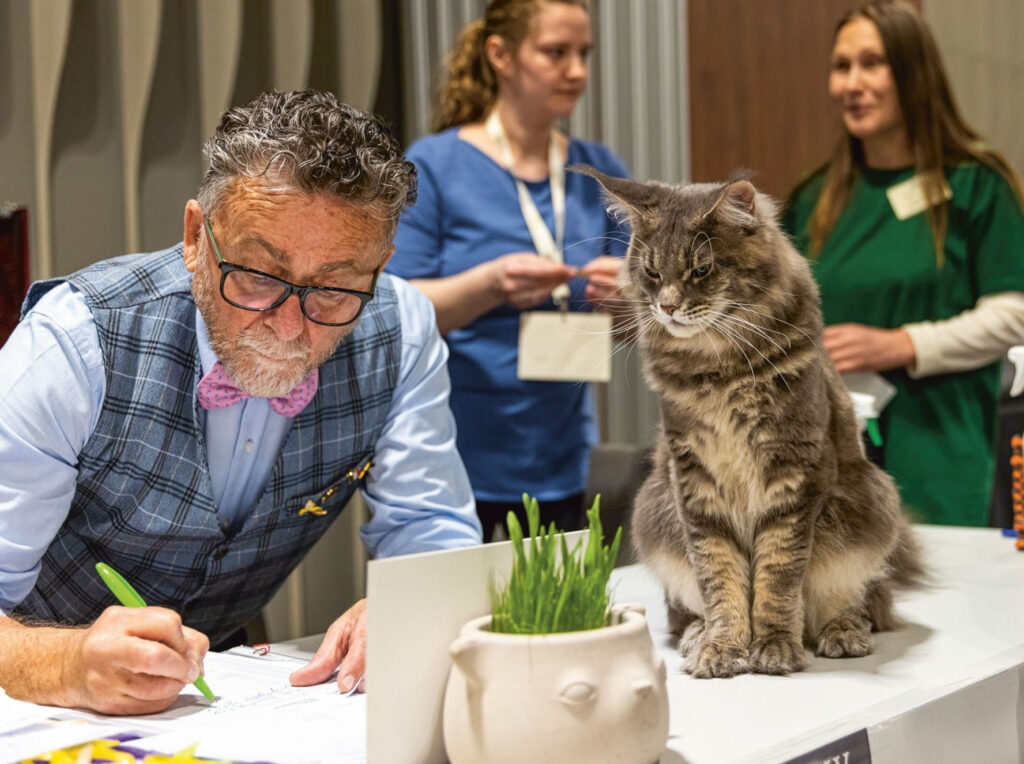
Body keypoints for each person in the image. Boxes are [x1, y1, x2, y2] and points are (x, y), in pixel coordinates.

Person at [0, 90, 481, 715]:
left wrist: (412, 603)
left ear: (379, 268)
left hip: (225, 702)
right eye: (256, 276)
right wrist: (65, 663)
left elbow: (432, 532)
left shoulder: (403, 334)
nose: (288, 326)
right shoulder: (74, 344)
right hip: (40, 706)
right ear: (196, 237)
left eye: (334, 289)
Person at [387, 0, 630, 541]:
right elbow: (397, 312)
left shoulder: (600, 171)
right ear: (500, 55)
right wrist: (490, 285)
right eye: (556, 53)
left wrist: (629, 297)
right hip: (452, 458)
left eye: (584, 54)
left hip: (563, 457)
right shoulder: (435, 164)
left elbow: (642, 324)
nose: (577, 71)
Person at [782, 0, 1024, 527]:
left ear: (914, 72)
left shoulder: (977, 185)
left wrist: (904, 345)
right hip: (828, 461)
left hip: (938, 452)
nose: (852, 83)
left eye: (872, 63)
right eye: (841, 66)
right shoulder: (815, 196)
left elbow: (1014, 315)